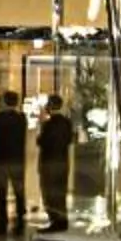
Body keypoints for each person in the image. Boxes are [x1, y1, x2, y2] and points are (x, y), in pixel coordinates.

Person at [0, 89, 29, 241]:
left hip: (0, 161)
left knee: (1, 194)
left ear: (4, 101)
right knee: (19, 194)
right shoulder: (21, 119)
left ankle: (1, 224)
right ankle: (20, 224)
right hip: (17, 161)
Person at [36, 92, 74, 233]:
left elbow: (41, 142)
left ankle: (55, 221)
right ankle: (62, 220)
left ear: (50, 106)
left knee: (50, 193)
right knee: (60, 192)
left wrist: (41, 125)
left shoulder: (49, 124)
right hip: (62, 162)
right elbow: (69, 140)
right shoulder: (67, 123)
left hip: (49, 162)